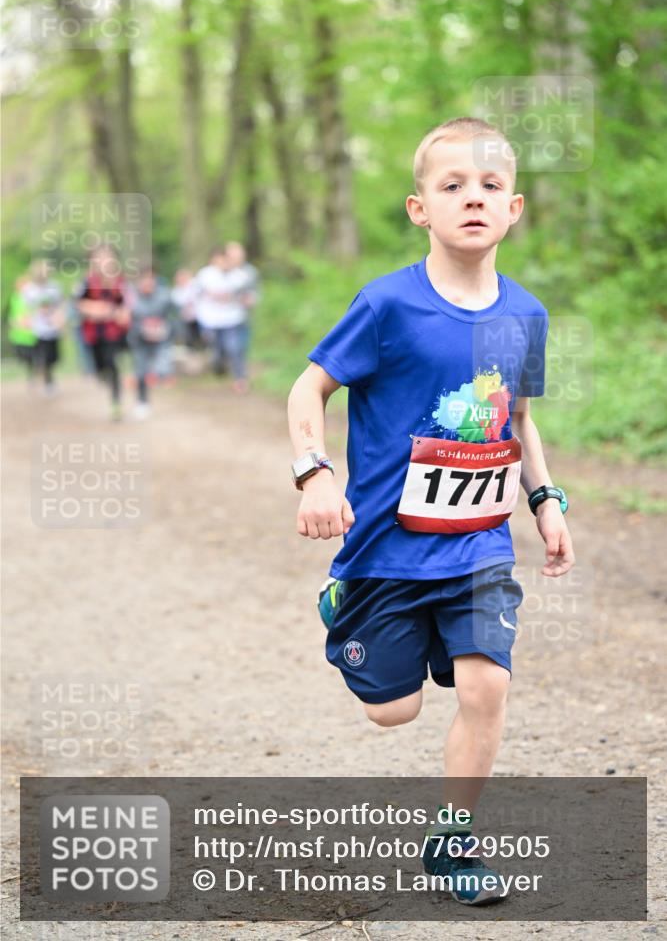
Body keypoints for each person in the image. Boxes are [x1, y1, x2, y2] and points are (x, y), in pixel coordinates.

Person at [287, 117, 575, 905]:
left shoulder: (525, 315)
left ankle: (452, 843)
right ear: (420, 208)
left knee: (486, 687)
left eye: (487, 187)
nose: (471, 200)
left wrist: (543, 499)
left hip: (478, 545)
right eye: (451, 187)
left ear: (512, 208)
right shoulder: (385, 306)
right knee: (393, 711)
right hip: (383, 550)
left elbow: (516, 420)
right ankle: (342, 608)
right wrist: (314, 473)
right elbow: (307, 387)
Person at [76, 245, 131, 420]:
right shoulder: (87, 282)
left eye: (108, 257)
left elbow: (126, 308)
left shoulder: (120, 283)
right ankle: (104, 377)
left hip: (114, 333)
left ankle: (116, 403)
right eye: (99, 258)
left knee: (112, 363)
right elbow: (80, 305)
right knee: (100, 368)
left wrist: (116, 313)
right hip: (93, 334)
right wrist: (100, 310)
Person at [194, 246, 252, 395]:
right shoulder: (205, 275)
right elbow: (196, 294)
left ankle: (240, 379)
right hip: (211, 320)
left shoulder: (239, 276)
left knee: (234, 348)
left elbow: (247, 294)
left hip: (232, 319)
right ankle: (219, 367)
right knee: (216, 350)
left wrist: (246, 300)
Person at [128, 264, 173, 419]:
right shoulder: (131, 297)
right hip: (139, 339)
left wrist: (165, 326)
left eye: (151, 279)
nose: (147, 283)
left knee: (162, 366)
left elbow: (175, 315)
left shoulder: (165, 296)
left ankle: (159, 377)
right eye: (144, 279)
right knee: (140, 370)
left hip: (161, 340)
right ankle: (142, 401)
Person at [24, 259, 65, 395]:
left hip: (53, 329)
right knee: (44, 357)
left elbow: (60, 305)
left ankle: (44, 375)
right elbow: (24, 309)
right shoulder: (29, 289)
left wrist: (60, 320)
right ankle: (48, 381)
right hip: (38, 330)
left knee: (54, 357)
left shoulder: (54, 287)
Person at [225, 240, 260, 355]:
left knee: (242, 343)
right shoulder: (222, 271)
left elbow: (256, 291)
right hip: (223, 315)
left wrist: (251, 300)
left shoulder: (251, 272)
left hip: (244, 314)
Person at [6, 275, 37, 380]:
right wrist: (14, 321)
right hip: (19, 334)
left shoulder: (32, 296)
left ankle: (36, 374)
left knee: (34, 356)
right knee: (24, 357)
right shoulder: (14, 297)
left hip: (31, 333)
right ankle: (32, 373)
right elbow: (13, 313)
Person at [171, 268, 201, 350]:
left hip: (198, 317)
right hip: (185, 319)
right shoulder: (175, 292)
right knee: (189, 336)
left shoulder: (194, 286)